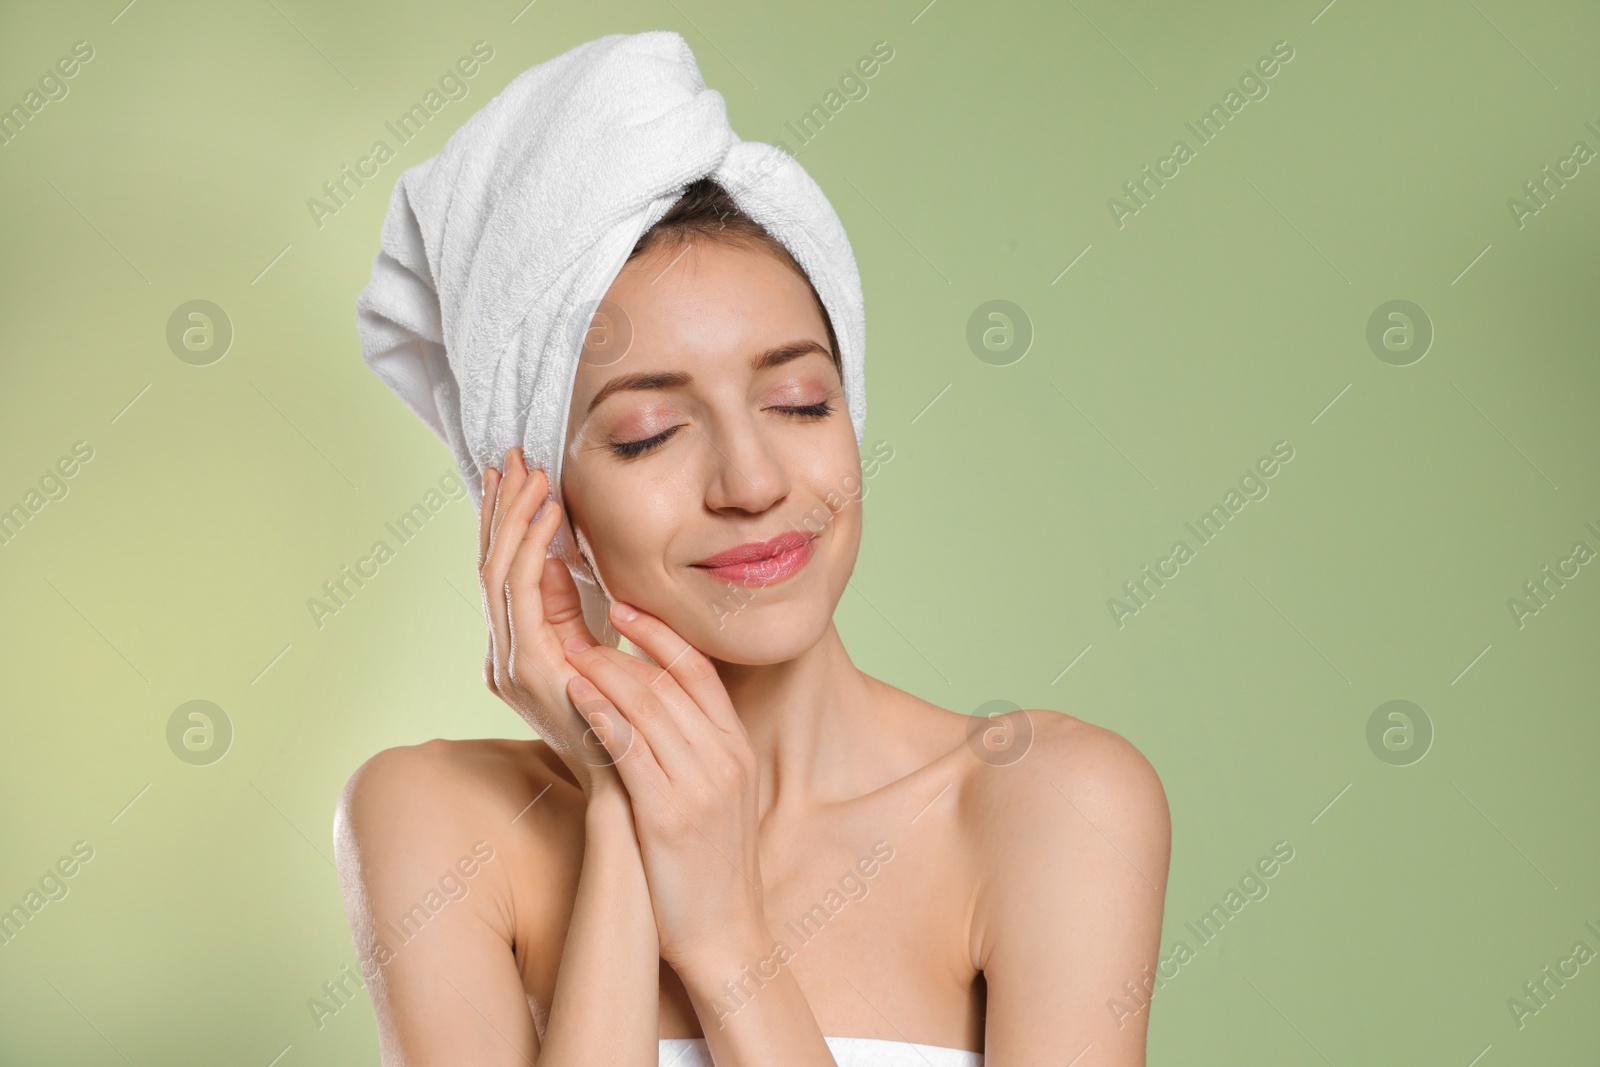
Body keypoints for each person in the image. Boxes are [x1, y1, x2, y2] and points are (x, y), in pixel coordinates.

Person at [334, 173, 1171, 1066]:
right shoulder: (437, 826)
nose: (753, 482)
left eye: (799, 401)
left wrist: (726, 934)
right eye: (650, 431)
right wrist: (621, 794)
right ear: (549, 512)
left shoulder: (1051, 804)